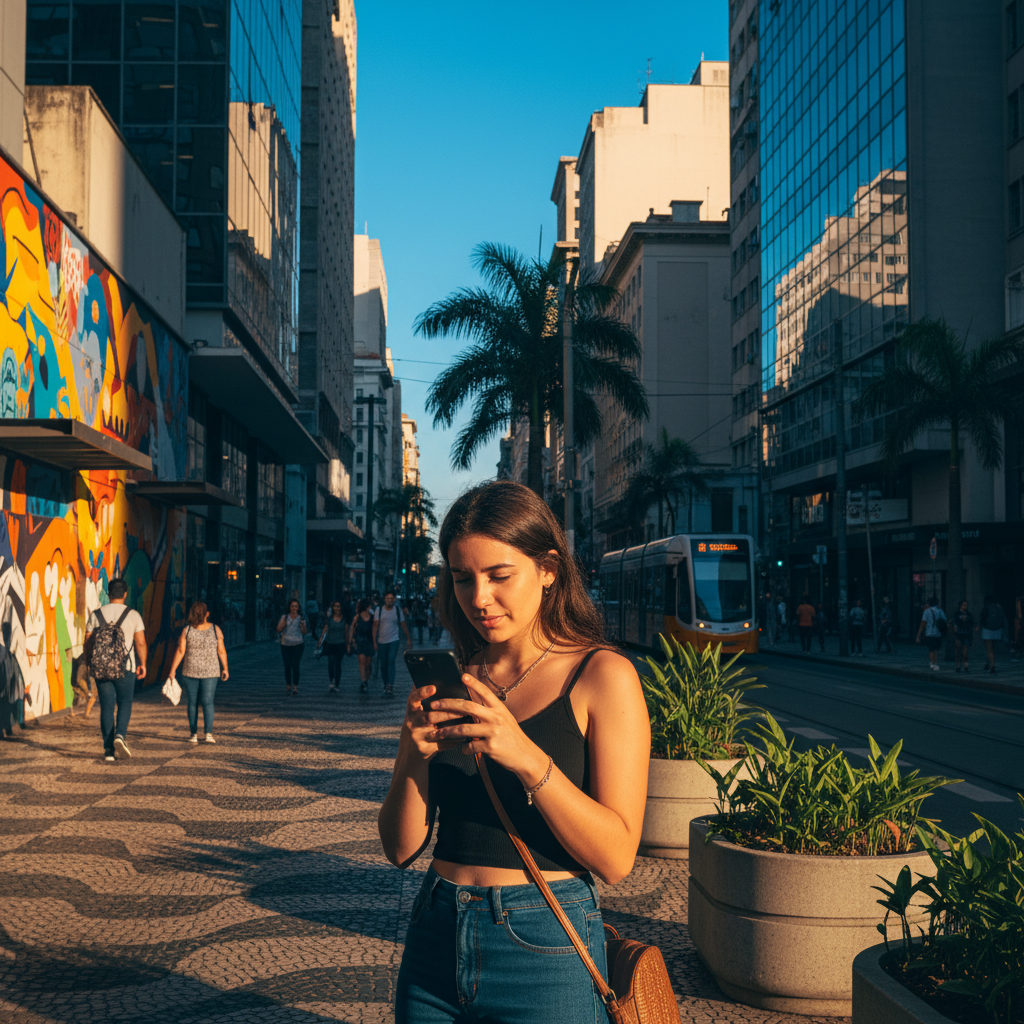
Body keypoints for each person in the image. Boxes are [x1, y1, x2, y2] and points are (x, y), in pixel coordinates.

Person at [378, 481, 649, 1024]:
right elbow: (400, 848)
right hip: (436, 930)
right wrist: (412, 753)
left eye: (499, 576)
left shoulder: (601, 675)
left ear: (548, 569)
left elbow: (617, 858)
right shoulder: (462, 678)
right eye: (462, 578)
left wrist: (524, 755)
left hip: (544, 942)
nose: (478, 598)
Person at [85, 578, 147, 762]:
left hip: (101, 668)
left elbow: (88, 642)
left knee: (106, 706)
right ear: (125, 594)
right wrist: (142, 663)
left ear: (108, 593)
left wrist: (90, 662)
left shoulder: (96, 615)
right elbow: (141, 642)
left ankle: (108, 750)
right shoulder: (133, 615)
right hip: (126, 668)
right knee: (125, 702)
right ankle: (120, 736)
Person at [167, 600, 229, 743]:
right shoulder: (215, 629)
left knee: (192, 703)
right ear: (207, 614)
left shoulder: (187, 630)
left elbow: (181, 651)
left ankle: (193, 734)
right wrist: (225, 668)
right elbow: (221, 651)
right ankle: (208, 733)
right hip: (211, 673)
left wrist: (173, 670)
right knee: (208, 702)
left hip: (190, 672)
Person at [373, 589, 413, 698]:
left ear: (394, 599)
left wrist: (408, 638)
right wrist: (374, 641)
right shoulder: (379, 610)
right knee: (383, 664)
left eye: (391, 598)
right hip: (382, 641)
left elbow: (403, 624)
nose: (390, 600)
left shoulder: (397, 610)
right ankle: (386, 684)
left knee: (391, 661)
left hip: (394, 640)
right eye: (388, 598)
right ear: (384, 599)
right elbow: (375, 626)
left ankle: (390, 685)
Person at [277, 599, 307, 695]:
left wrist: (302, 625)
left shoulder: (301, 618)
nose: (294, 608)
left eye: (296, 606)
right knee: (287, 665)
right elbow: (278, 629)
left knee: (295, 665)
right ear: (289, 607)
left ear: (298, 608)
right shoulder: (285, 617)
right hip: (285, 643)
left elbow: (304, 632)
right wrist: (283, 623)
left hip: (298, 643)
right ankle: (288, 684)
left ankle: (295, 686)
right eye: (292, 606)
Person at [319, 600, 348, 692]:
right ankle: (332, 681)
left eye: (338, 606)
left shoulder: (344, 619)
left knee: (338, 664)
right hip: (330, 643)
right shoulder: (329, 619)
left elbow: (346, 632)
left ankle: (337, 683)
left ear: (341, 608)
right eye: (335, 606)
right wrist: (320, 640)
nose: (337, 608)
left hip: (340, 644)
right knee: (331, 663)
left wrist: (348, 645)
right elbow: (325, 629)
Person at [348, 598, 375, 693]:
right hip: (360, 641)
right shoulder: (357, 617)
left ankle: (366, 679)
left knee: (368, 663)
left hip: (369, 642)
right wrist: (350, 641)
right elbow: (352, 628)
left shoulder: (372, 617)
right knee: (362, 662)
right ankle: (364, 682)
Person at [978, 595, 1008, 675]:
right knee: (993, 648)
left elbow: (982, 618)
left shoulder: (986, 607)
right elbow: (1003, 618)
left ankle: (992, 665)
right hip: (997, 630)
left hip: (987, 630)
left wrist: (979, 627)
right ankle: (988, 662)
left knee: (989, 649)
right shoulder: (999, 607)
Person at [915, 596, 946, 672]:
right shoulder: (940, 611)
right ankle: (935, 663)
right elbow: (944, 620)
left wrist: (918, 635)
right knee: (935, 649)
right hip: (938, 633)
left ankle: (932, 663)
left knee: (931, 649)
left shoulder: (927, 611)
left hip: (929, 632)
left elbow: (923, 623)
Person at [952, 600, 974, 674]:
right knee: (958, 650)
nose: (965, 606)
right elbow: (954, 621)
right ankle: (958, 665)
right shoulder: (957, 613)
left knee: (965, 651)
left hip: (966, 633)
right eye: (964, 605)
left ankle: (965, 665)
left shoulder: (969, 614)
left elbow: (972, 622)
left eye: (966, 605)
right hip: (959, 633)